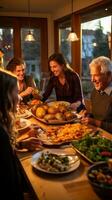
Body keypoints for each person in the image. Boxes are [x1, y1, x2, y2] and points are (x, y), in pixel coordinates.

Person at [81, 56, 112, 133]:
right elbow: (96, 116)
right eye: (91, 75)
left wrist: (95, 122)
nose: (92, 79)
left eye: (96, 75)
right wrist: (88, 115)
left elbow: (97, 121)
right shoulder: (95, 92)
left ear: (108, 75)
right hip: (97, 133)